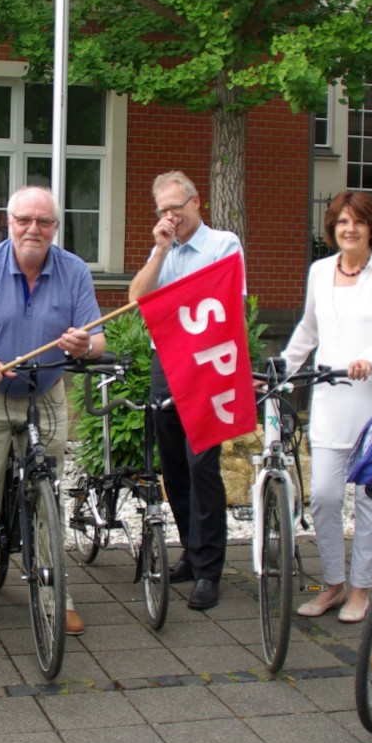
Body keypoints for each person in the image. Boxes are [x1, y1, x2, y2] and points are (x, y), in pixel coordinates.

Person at [0, 185, 106, 636]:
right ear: (8, 222)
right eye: (24, 220)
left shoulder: (73, 271)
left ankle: (56, 594)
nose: (34, 228)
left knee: (47, 496)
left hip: (46, 395)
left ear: (56, 225)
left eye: (44, 221)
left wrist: (85, 344)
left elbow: (99, 339)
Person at [128, 170, 243, 611]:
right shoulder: (165, 252)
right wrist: (159, 249)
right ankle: (192, 554)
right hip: (167, 363)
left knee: (203, 466)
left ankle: (210, 569)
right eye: (163, 210)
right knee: (173, 466)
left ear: (198, 203)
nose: (171, 216)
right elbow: (138, 300)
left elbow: (225, 298)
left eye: (177, 207)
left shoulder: (223, 245)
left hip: (208, 361)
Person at [281, 190, 372, 623]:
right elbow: (308, 330)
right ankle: (332, 583)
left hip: (370, 399)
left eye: (358, 222)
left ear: (371, 228)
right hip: (328, 398)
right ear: (333, 228)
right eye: (342, 222)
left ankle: (361, 589)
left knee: (368, 500)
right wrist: (280, 371)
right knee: (324, 497)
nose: (350, 229)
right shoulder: (320, 271)